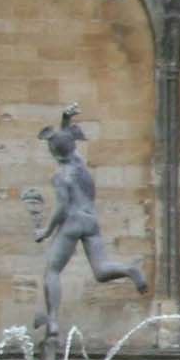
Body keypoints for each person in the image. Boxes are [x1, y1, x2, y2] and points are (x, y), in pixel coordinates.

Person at [35, 107, 146, 335]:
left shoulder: (60, 175)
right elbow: (66, 140)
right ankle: (128, 270)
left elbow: (63, 207)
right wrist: (66, 119)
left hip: (73, 221)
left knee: (52, 271)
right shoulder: (80, 166)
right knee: (101, 270)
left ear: (53, 151)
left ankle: (53, 320)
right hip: (90, 220)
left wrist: (46, 231)